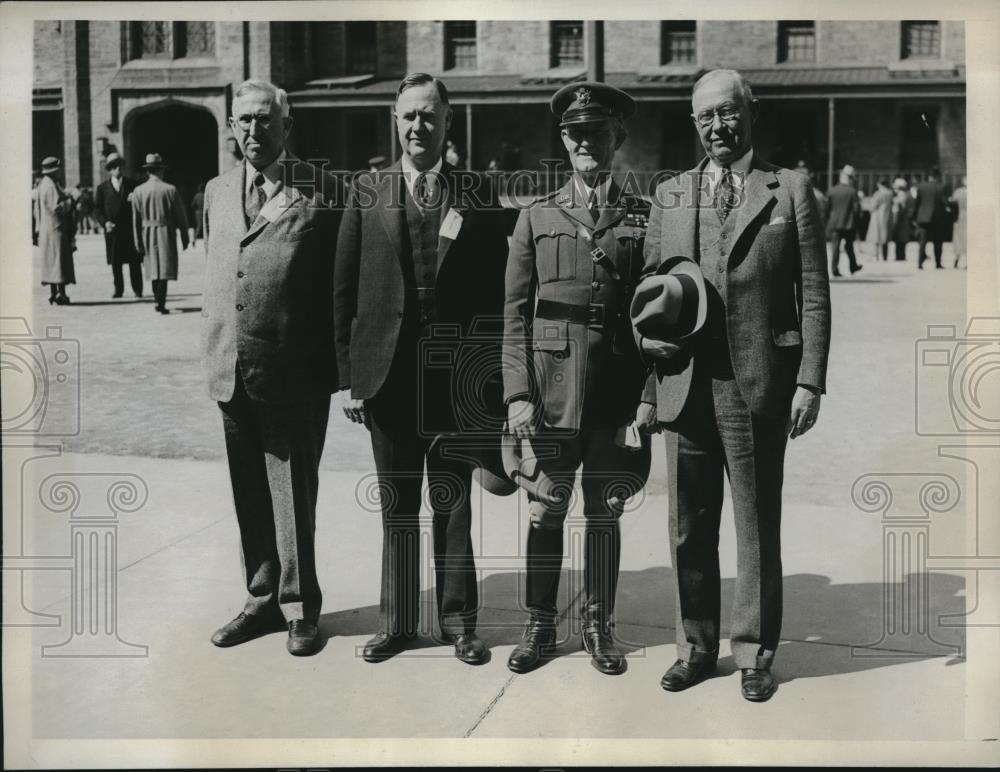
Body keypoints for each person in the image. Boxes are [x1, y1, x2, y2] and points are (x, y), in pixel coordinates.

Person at [639, 69, 831, 702]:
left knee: (755, 525)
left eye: (726, 113)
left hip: (759, 384)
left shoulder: (789, 190)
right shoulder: (669, 195)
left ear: (752, 111)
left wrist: (809, 380)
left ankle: (753, 652)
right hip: (685, 385)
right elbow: (645, 298)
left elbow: (814, 297)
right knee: (689, 526)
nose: (717, 127)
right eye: (704, 118)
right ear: (693, 124)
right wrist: (646, 366)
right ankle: (695, 647)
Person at [334, 73, 509, 665]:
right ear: (395, 120)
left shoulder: (478, 192)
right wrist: (351, 379)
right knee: (397, 503)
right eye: (409, 116)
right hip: (386, 377)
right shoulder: (366, 192)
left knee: (453, 501)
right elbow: (345, 290)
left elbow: (494, 293)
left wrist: (490, 377)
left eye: (430, 116)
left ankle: (460, 622)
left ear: (448, 122)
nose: (418, 127)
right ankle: (399, 622)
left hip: (455, 379)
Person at [502, 82, 656, 676]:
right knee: (545, 508)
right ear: (563, 140)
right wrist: (517, 393)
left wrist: (648, 395)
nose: (585, 142)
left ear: (617, 138)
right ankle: (540, 624)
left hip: (616, 393)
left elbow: (656, 315)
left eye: (596, 132)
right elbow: (512, 315)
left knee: (605, 509)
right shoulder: (535, 216)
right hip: (549, 393)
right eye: (574, 133)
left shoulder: (644, 216)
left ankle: (598, 625)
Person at [203, 79, 343, 657]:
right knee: (248, 495)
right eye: (244, 121)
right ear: (232, 127)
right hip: (230, 367)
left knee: (292, 496)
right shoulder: (215, 190)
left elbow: (341, 287)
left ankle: (300, 608)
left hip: (294, 375)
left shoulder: (322, 190)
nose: (254, 130)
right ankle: (260, 600)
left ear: (287, 126)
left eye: (265, 120)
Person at [131, 153, 189, 313]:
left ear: (148, 171)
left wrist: (138, 242)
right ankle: (161, 303)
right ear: (161, 171)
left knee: (152, 268)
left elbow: (135, 221)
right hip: (165, 232)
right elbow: (181, 217)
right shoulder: (170, 189)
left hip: (146, 232)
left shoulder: (138, 191)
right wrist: (185, 237)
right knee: (163, 268)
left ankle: (157, 300)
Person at [94, 152, 143, 298]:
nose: (118, 169)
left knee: (134, 261)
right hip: (113, 230)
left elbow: (141, 204)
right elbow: (97, 209)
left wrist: (136, 199)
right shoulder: (102, 188)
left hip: (129, 229)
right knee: (116, 262)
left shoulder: (133, 184)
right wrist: (105, 223)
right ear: (109, 170)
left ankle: (137, 289)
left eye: (119, 166)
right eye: (114, 167)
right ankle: (118, 289)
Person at [36, 156, 76, 305]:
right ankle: (61, 294)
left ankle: (54, 293)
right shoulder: (51, 186)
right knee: (59, 263)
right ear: (54, 171)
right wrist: (70, 201)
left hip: (48, 229)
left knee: (52, 263)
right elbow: (57, 208)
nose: (60, 173)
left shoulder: (44, 184)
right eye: (59, 170)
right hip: (56, 230)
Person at [825, 164, 861, 276]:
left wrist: (828, 221)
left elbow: (826, 209)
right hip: (848, 224)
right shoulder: (852, 191)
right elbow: (856, 210)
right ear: (850, 178)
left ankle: (834, 270)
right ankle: (853, 267)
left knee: (835, 247)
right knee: (849, 246)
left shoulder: (832, 190)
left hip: (834, 223)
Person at [913, 167, 950, 269]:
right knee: (938, 242)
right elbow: (945, 203)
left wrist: (914, 217)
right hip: (938, 218)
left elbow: (917, 204)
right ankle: (938, 263)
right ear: (937, 176)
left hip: (923, 218)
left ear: (929, 176)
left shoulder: (921, 187)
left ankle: (920, 264)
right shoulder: (942, 187)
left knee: (922, 242)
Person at [865, 178, 894, 260]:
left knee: (876, 238)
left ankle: (875, 256)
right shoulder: (890, 193)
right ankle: (885, 256)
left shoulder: (878, 194)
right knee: (885, 238)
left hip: (877, 217)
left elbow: (872, 206)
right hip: (886, 216)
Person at [890, 177, 914, 261]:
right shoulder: (908, 195)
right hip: (905, 221)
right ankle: (901, 256)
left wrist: (894, 223)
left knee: (899, 240)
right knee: (902, 241)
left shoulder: (900, 197)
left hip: (900, 221)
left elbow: (897, 210)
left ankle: (899, 257)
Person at [949, 175, 967, 269]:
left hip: (959, 217)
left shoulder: (958, 192)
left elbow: (952, 203)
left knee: (958, 239)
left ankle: (956, 259)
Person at [190, 182, 206, 247]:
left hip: (198, 213)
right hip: (204, 212)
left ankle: (194, 239)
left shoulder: (196, 196)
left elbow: (192, 205)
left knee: (198, 227)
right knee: (206, 226)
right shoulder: (205, 195)